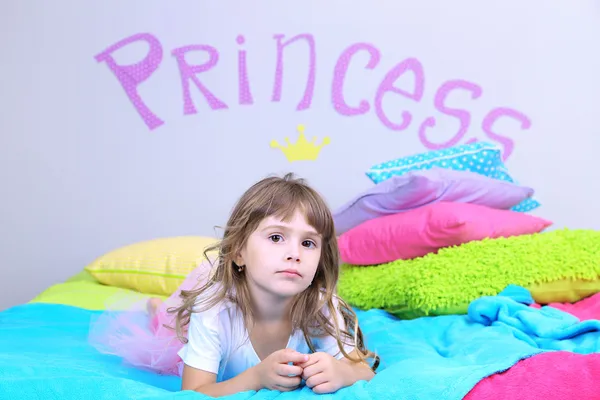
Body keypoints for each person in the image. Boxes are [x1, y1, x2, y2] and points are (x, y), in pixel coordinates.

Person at [89, 173, 379, 396]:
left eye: (308, 242)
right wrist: (255, 377)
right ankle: (158, 308)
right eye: (276, 237)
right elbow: (193, 393)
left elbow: (362, 369)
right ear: (239, 252)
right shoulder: (213, 310)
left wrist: (342, 372)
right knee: (168, 326)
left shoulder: (321, 304)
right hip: (212, 302)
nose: (295, 253)